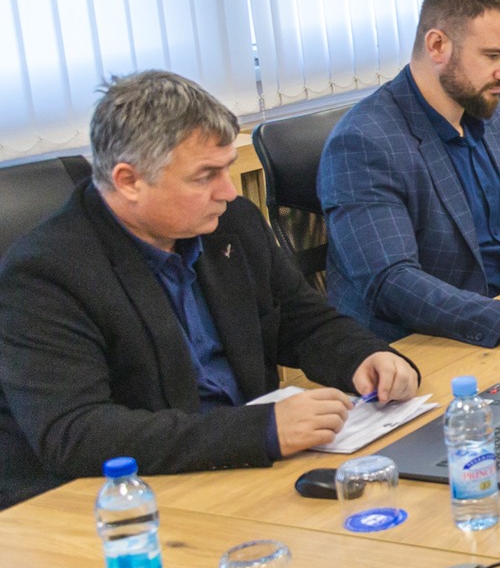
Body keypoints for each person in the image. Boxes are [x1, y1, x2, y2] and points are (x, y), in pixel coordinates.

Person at [0, 72, 417, 509]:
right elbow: (76, 432)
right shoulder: (46, 274)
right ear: (128, 181)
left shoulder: (230, 223)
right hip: (125, 503)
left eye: (227, 168)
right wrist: (261, 430)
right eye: (206, 176)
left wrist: (365, 356)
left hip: (242, 474)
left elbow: (301, 319)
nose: (229, 191)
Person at [321, 0, 500, 349]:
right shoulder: (363, 143)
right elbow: (392, 282)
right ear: (437, 46)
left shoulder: (490, 113)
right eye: (492, 56)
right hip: (425, 344)